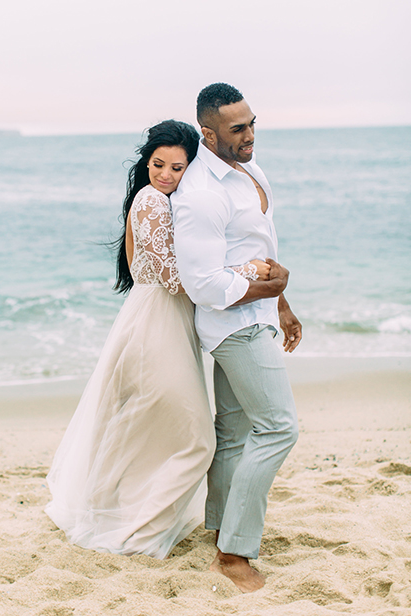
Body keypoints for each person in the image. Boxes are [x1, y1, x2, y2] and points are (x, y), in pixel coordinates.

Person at [45, 119, 269, 559]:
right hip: (155, 328)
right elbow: (175, 278)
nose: (165, 174)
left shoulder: (166, 203)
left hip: (159, 325)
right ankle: (140, 534)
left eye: (177, 168)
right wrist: (246, 272)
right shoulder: (151, 201)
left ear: (193, 169)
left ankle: (124, 514)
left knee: (143, 430)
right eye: (157, 164)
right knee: (197, 437)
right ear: (146, 164)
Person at [171, 83, 302, 592]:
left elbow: (261, 245)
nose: (250, 135)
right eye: (237, 129)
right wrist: (268, 288)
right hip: (235, 328)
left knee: (235, 430)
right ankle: (233, 555)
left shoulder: (250, 169)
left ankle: (221, 527)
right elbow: (203, 284)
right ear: (209, 133)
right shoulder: (202, 193)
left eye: (252, 124)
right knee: (278, 429)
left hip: (258, 315)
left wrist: (283, 303)